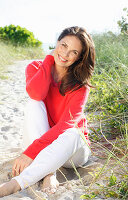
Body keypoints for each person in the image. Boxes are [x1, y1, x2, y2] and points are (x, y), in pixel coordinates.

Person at [0, 26, 95, 197]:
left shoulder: (81, 85)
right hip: (44, 141)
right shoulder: (35, 67)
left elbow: (65, 126)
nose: (65, 54)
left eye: (73, 52)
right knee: (33, 104)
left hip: (72, 152)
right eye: (64, 45)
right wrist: (49, 60)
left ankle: (15, 185)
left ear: (79, 57)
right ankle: (49, 173)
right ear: (57, 42)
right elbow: (36, 94)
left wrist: (30, 152)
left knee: (73, 133)